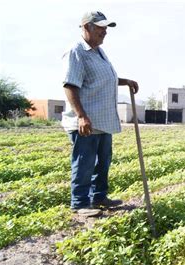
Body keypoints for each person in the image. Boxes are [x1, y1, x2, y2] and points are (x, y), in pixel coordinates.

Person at [62, 11, 139, 217]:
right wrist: (81, 116)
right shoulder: (77, 51)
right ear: (86, 27)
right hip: (87, 121)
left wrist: (125, 81)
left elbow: (104, 78)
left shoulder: (98, 52)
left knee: (103, 162)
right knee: (85, 163)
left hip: (103, 121)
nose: (105, 32)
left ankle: (99, 196)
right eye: (100, 28)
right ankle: (79, 203)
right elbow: (70, 85)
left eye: (106, 28)